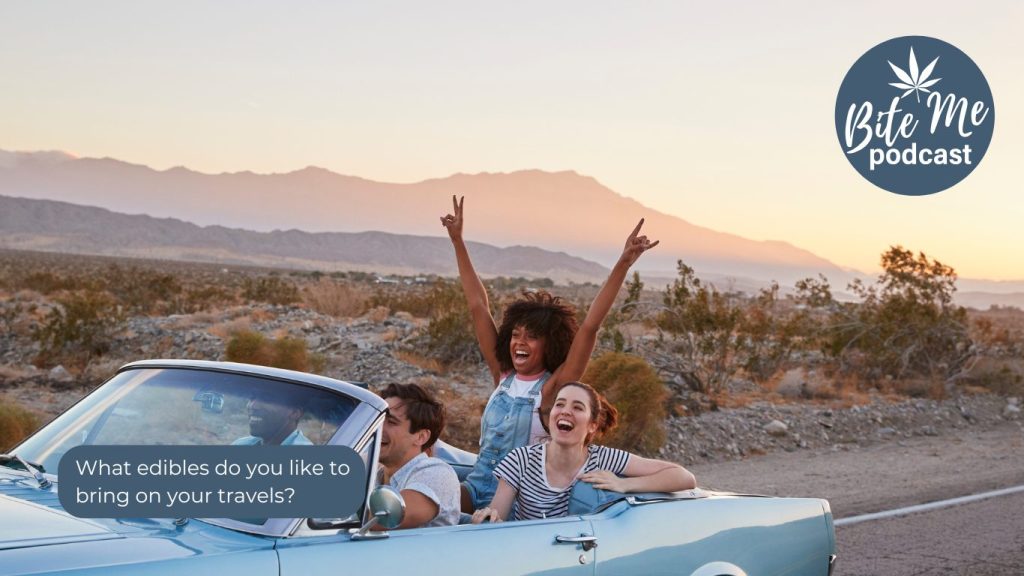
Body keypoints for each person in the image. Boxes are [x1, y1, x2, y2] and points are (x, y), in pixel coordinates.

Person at [440, 195, 658, 512]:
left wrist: (623, 263)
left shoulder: (551, 390)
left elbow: (589, 328)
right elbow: (478, 306)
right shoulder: (502, 376)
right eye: (515, 335)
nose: (519, 343)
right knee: (428, 501)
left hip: (515, 502)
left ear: (551, 343)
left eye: (531, 337)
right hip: (476, 487)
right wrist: (458, 241)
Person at [472, 381, 696, 523]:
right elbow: (496, 519)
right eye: (560, 405)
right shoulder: (520, 460)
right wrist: (486, 518)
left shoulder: (604, 458)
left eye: (577, 407)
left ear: (592, 425)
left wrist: (624, 484)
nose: (565, 412)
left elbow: (684, 477)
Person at [378, 383, 460, 529]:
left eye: (391, 422)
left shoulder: (437, 473)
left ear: (421, 437)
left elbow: (385, 517)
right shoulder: (371, 471)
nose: (377, 427)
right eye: (378, 418)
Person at [233, 387, 313, 446]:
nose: (252, 406)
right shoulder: (241, 444)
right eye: (252, 398)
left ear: (295, 413)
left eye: (267, 399)